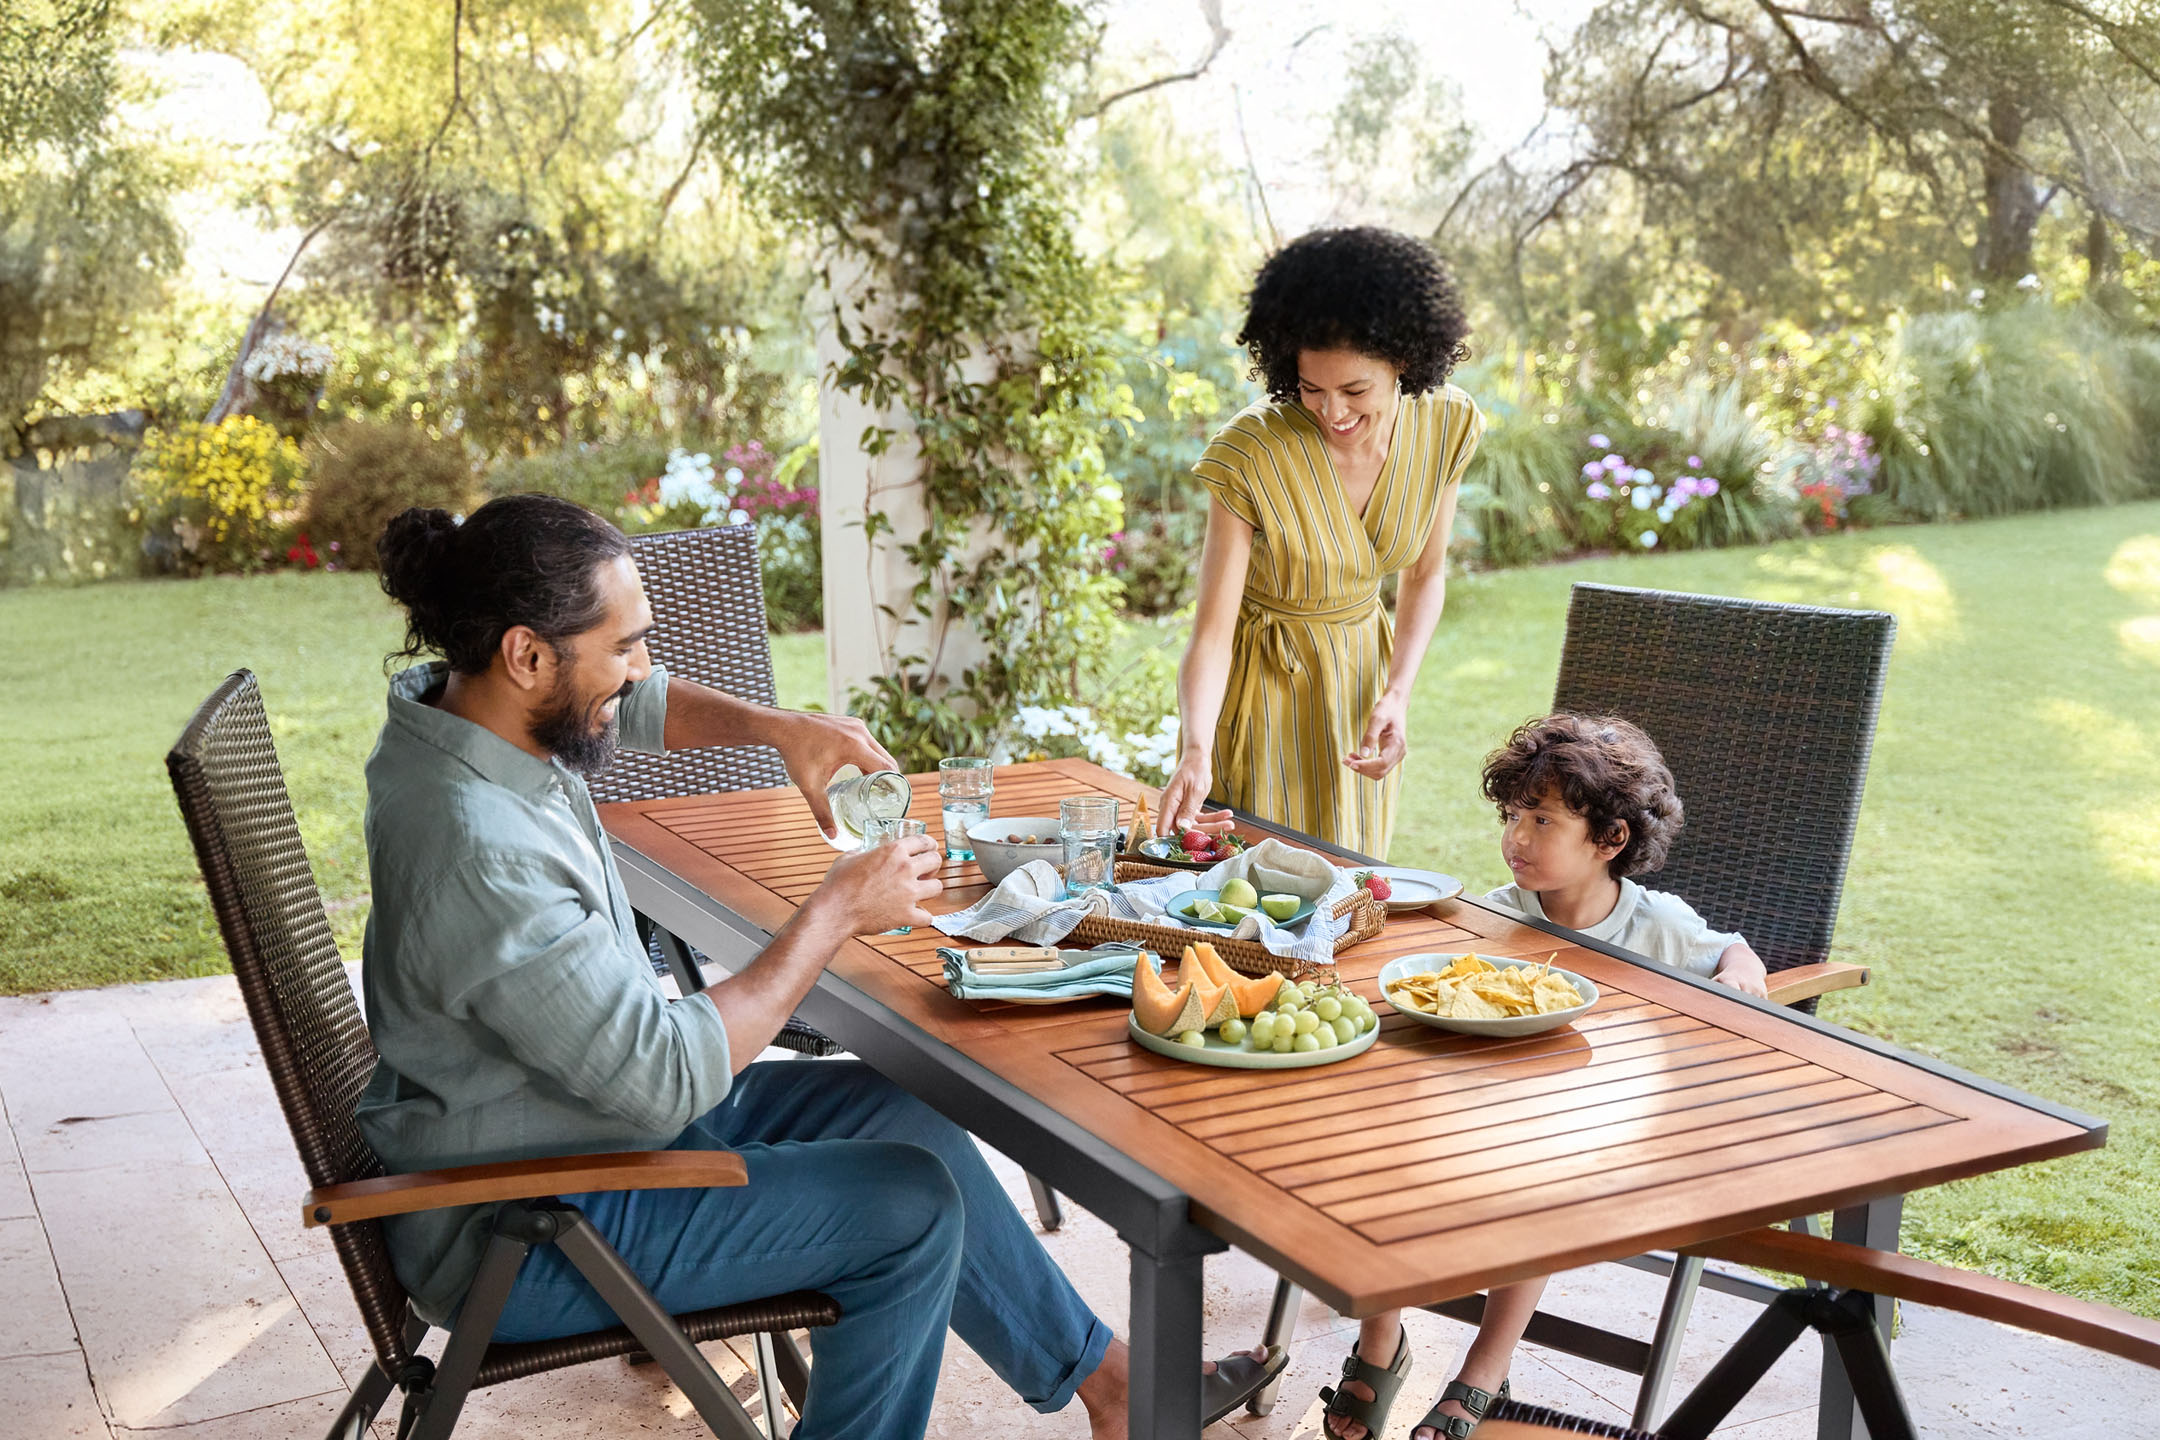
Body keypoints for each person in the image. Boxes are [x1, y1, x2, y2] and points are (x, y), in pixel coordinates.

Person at [354, 494, 1277, 1440]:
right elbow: (664, 1078)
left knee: (911, 1111)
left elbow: (640, 708)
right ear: (528, 653)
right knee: (906, 1210)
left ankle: (1113, 1391)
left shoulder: (464, 709)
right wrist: (835, 909)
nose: (638, 672)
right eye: (623, 647)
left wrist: (782, 727)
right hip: (529, 1223)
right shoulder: (481, 846)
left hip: (565, 1126)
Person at [1318, 713, 1769, 1440]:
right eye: (1512, 816)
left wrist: (1742, 975)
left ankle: (1486, 1366)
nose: (1515, 840)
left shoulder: (1659, 925)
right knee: (1376, 1146)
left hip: (1583, 1134)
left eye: (1542, 821)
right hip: (1466, 1113)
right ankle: (1380, 1342)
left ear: (1610, 840)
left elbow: (1733, 954)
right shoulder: (1492, 919)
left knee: (1538, 1170)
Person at [1157, 225, 1485, 857]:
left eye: (1355, 390)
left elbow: (1425, 574)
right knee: (1255, 894)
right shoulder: (1251, 452)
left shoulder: (1448, 424)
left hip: (1362, 682)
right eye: (1311, 389)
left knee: (1353, 889)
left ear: (1406, 362)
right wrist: (1197, 745)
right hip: (1266, 691)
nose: (1332, 411)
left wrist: (1398, 692)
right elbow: (1213, 633)